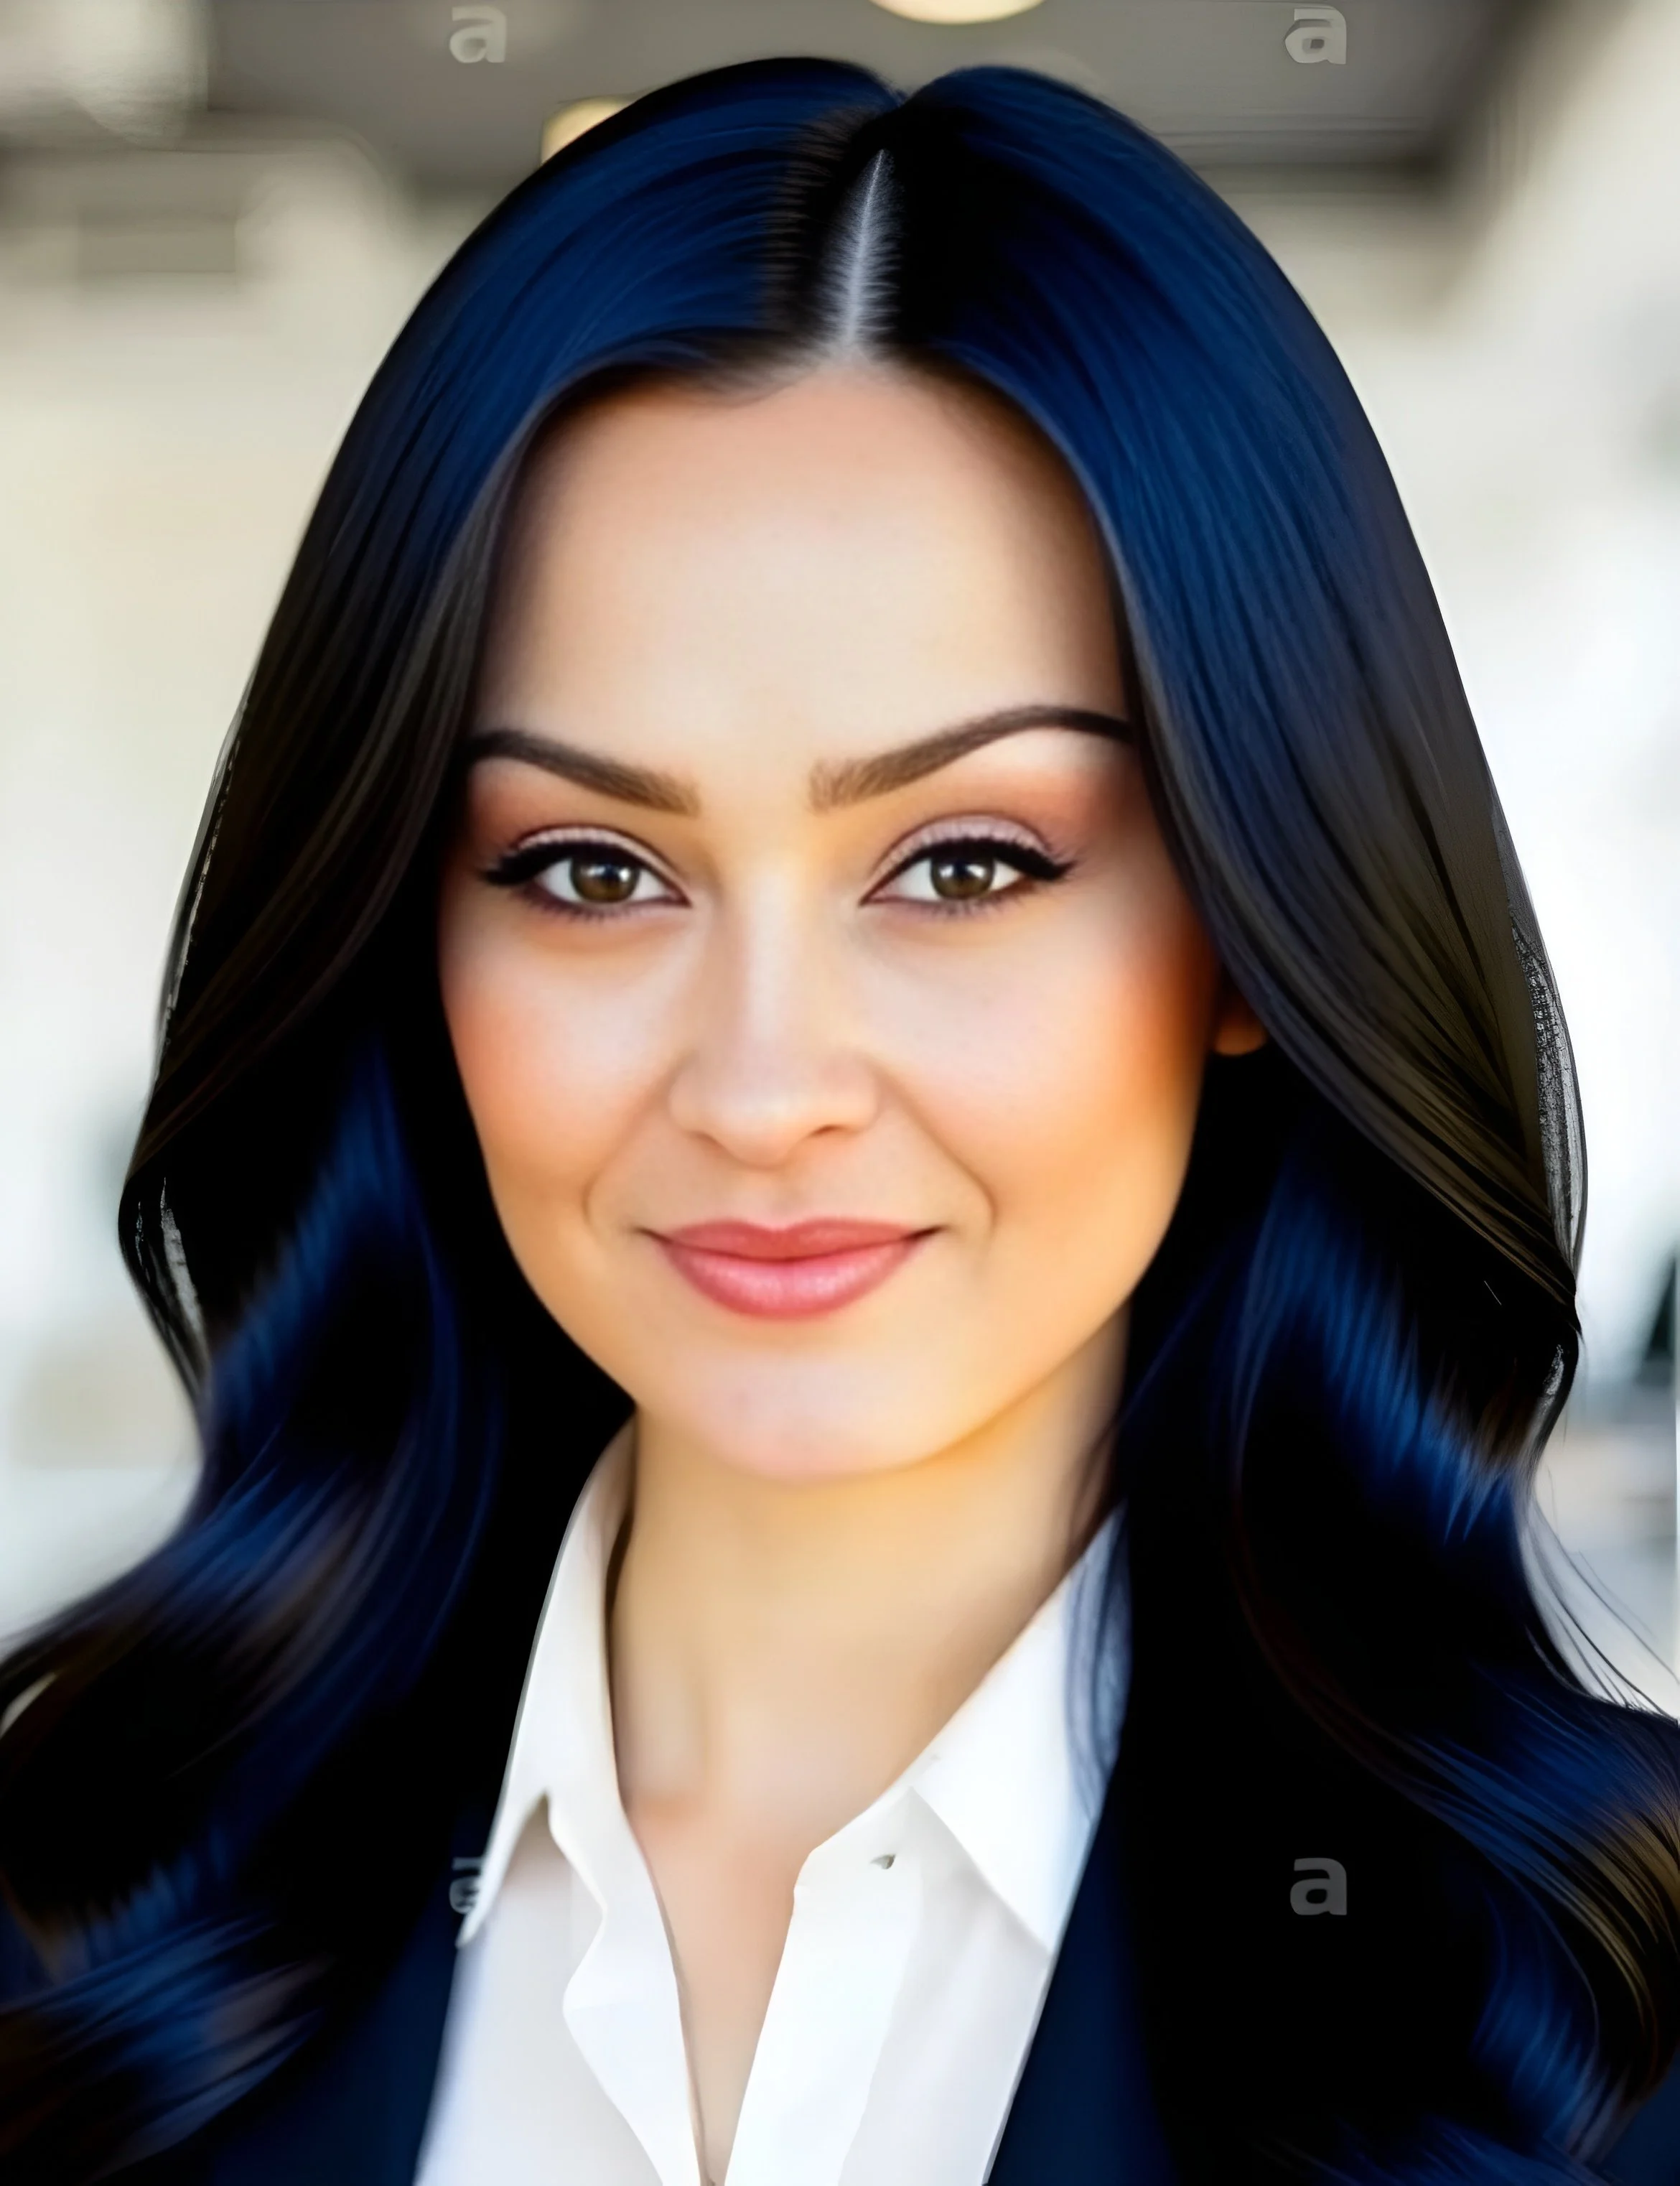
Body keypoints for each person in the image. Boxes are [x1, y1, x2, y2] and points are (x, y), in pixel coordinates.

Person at [1, 56, 1678, 2186]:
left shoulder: (1608, 2003)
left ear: (1259, 927)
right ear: (405, 937)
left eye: (965, 861)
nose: (766, 1087)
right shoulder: (79, 1903)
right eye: (590, 870)